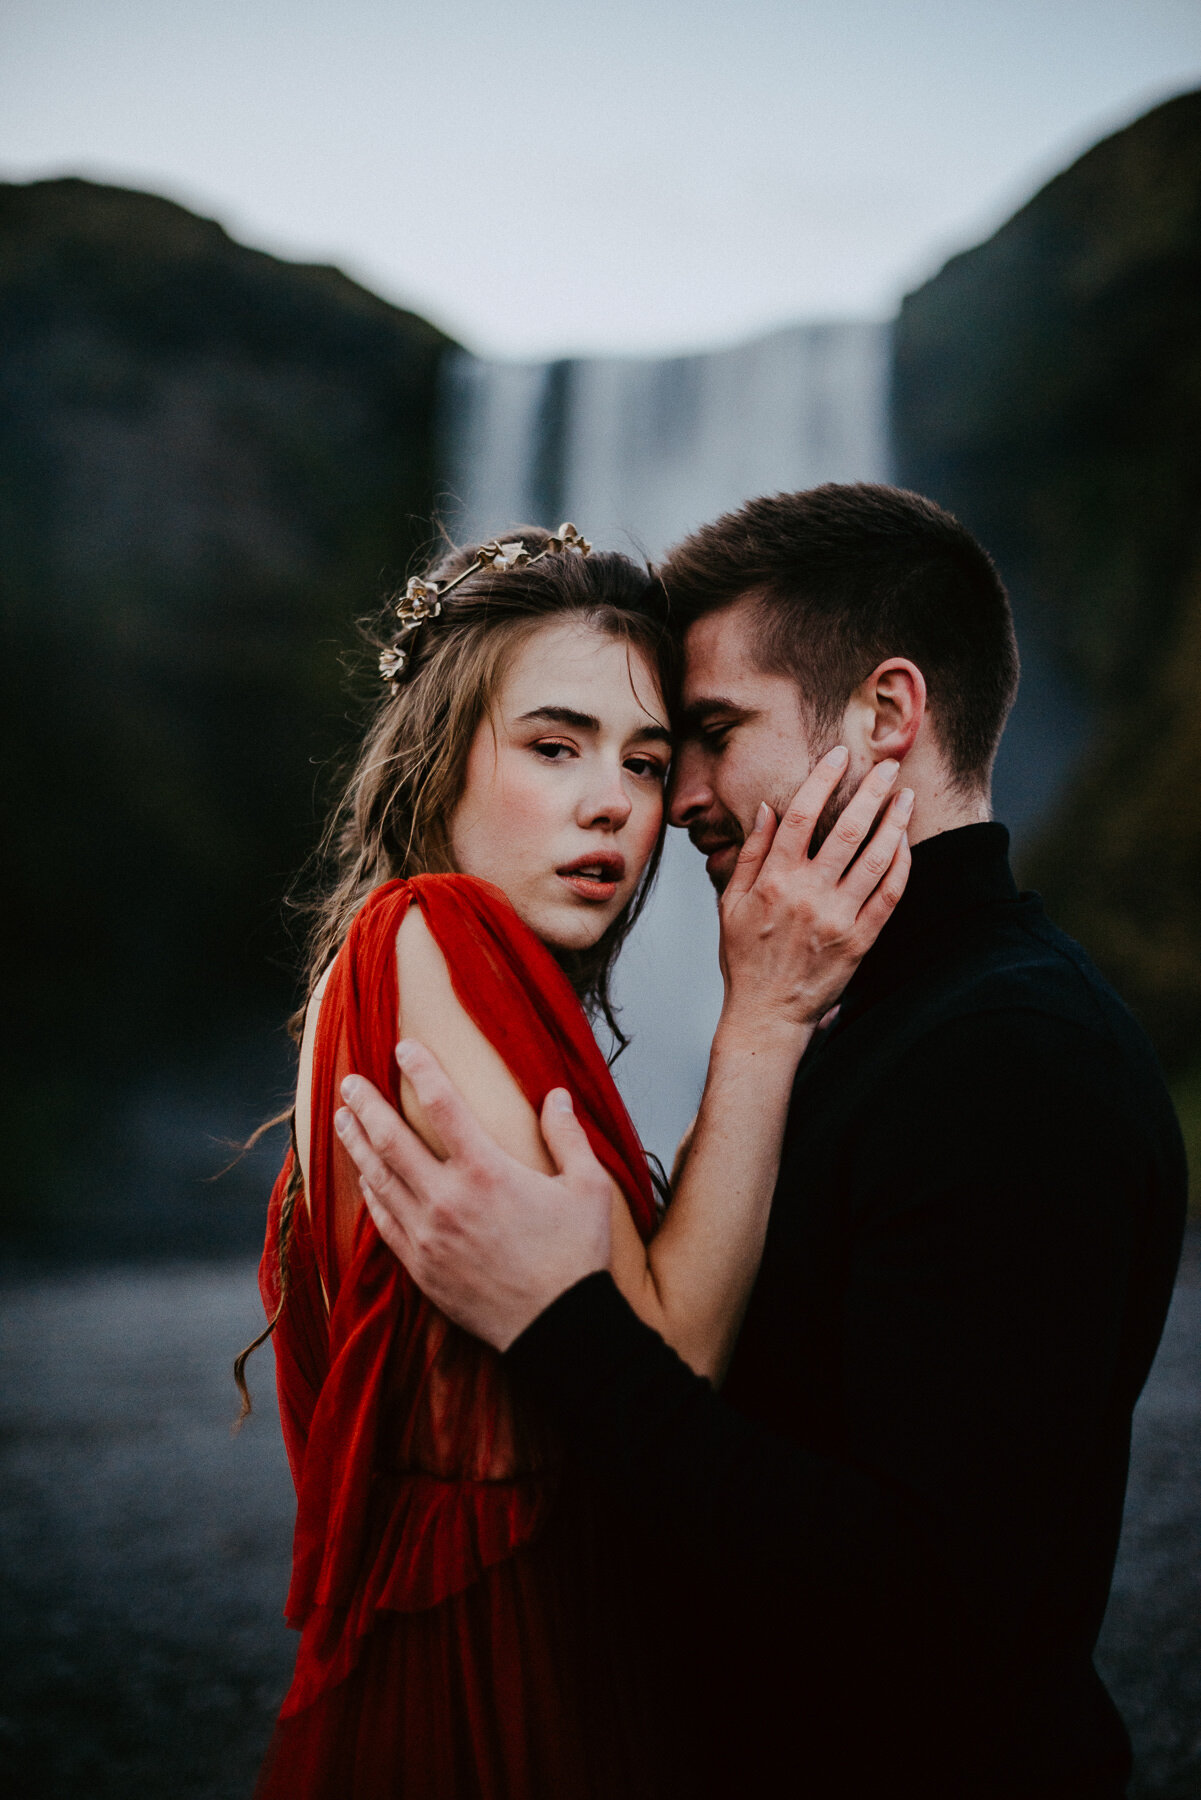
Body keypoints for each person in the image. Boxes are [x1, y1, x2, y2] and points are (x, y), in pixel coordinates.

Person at [337, 484, 1188, 1800]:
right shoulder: (888, 1021)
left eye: (703, 735)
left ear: (888, 715)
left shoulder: (1010, 1057)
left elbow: (938, 1607)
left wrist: (562, 1324)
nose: (668, 800)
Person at [241, 521, 912, 1800]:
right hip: (490, 1687)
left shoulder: (427, 980)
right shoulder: (425, 931)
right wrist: (764, 1018)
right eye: (555, 747)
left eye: (647, 763)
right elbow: (664, 1362)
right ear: (441, 762)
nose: (615, 799)